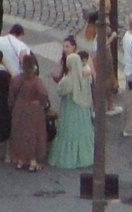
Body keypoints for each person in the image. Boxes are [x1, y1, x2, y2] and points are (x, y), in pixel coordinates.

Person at [50, 37, 97, 169]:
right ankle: (85, 156)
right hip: (83, 109)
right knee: (83, 132)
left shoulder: (68, 80)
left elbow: (60, 91)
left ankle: (68, 157)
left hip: (69, 109)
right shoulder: (85, 75)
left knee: (68, 132)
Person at [10, 54, 52, 171]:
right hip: (33, 110)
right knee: (34, 135)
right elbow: (44, 94)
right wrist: (42, 103)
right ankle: (33, 161)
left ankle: (20, 160)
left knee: (20, 134)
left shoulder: (16, 79)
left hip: (19, 109)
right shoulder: (36, 80)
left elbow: (11, 96)